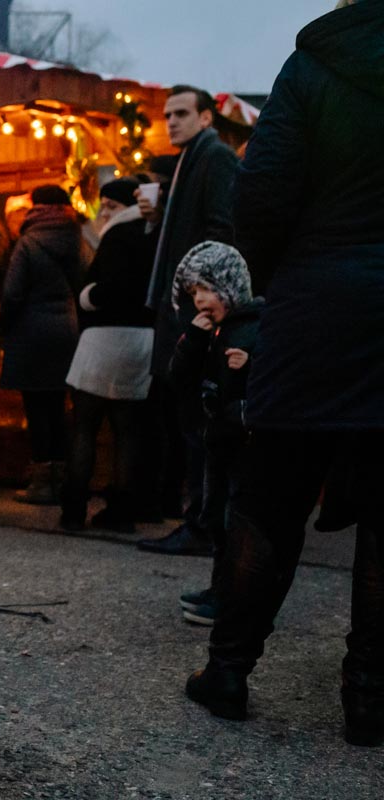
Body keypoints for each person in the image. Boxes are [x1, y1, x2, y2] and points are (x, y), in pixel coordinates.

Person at [186, 0, 384, 748]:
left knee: (269, 499)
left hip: (315, 306)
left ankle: (229, 672)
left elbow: (260, 194)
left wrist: (281, 283)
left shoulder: (314, 66)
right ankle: (369, 697)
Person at [137, 85, 238, 556]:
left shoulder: (213, 158)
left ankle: (202, 523)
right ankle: (198, 519)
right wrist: (158, 217)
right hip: (178, 307)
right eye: (167, 114)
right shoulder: (190, 160)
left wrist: (198, 299)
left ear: (205, 117)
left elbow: (221, 228)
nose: (170, 121)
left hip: (188, 311)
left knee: (197, 422)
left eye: (181, 113)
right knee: (187, 421)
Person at [166, 242, 261, 626]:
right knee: (220, 523)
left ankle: (234, 600)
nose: (199, 299)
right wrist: (193, 340)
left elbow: (271, 381)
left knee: (236, 524)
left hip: (243, 444)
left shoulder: (254, 326)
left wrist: (250, 366)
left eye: (204, 289)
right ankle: (220, 589)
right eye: (193, 293)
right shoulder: (213, 330)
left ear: (228, 286)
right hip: (220, 441)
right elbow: (180, 379)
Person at [59, 177, 156, 532]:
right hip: (142, 337)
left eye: (106, 205)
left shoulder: (118, 234)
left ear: (116, 205)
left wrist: (86, 295)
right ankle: (122, 512)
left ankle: (73, 510)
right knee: (127, 431)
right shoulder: (153, 232)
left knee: (84, 426)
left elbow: (110, 288)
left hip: (104, 337)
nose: (101, 213)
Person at [0, 184, 84, 505]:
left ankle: (41, 484)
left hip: (32, 332)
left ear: (37, 207)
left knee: (36, 409)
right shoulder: (77, 238)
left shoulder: (28, 242)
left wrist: (3, 327)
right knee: (59, 407)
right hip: (67, 328)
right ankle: (61, 481)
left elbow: (12, 293)